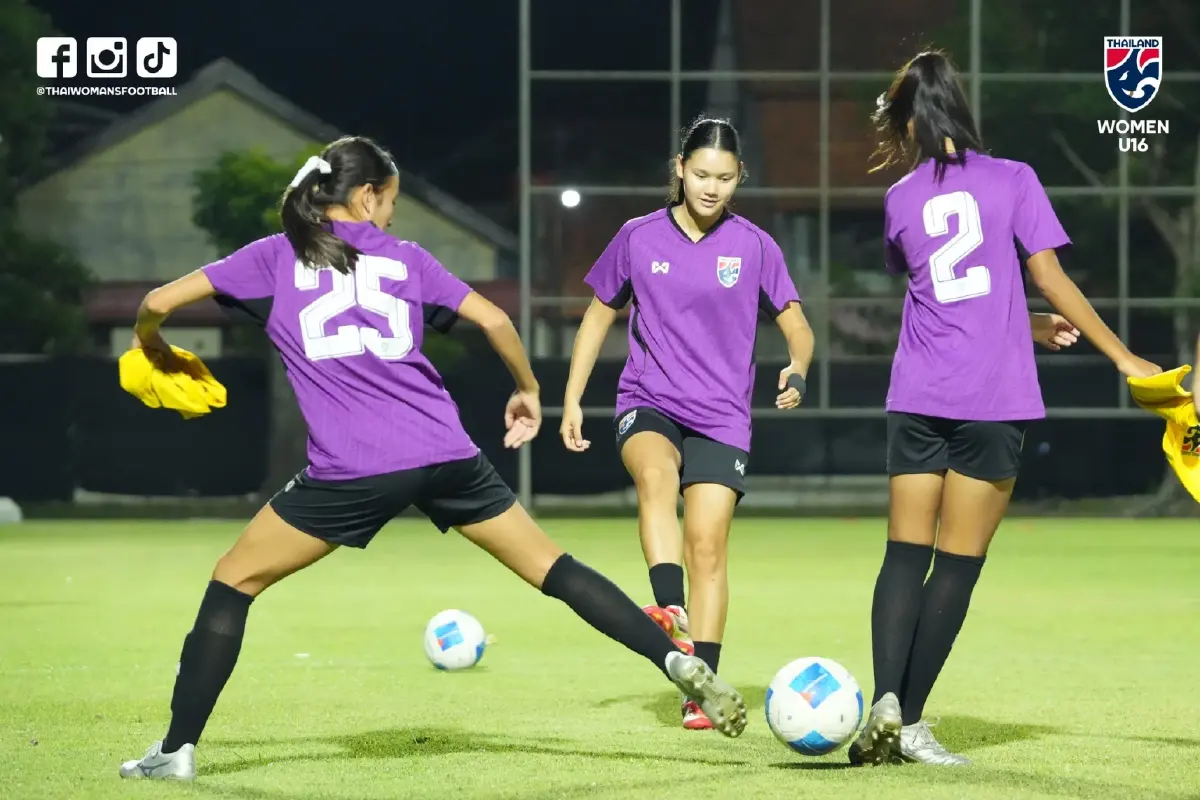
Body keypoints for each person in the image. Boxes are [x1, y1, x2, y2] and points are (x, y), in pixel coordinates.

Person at [118, 136, 748, 782]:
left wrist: (154, 349)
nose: (391, 217)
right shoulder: (408, 260)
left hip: (353, 468)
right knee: (555, 569)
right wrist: (528, 392)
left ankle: (175, 750)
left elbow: (157, 304)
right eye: (390, 202)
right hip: (447, 453)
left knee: (233, 581)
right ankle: (676, 661)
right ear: (366, 197)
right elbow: (497, 321)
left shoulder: (274, 257)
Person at [847, 51, 1162, 767]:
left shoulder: (900, 199)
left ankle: (882, 705)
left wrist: (1024, 324)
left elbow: (943, 295)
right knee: (955, 567)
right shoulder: (1012, 179)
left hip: (919, 396)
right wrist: (1121, 357)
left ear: (907, 122)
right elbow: (1043, 275)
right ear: (962, 108)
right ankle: (914, 722)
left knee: (903, 555)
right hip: (991, 398)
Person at [560, 117, 814, 731]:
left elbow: (798, 325)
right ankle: (669, 605)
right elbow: (596, 319)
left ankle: (702, 685)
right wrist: (571, 399)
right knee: (655, 475)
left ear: (739, 179)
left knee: (709, 544)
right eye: (701, 174)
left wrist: (798, 368)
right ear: (679, 169)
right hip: (648, 400)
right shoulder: (637, 237)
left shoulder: (754, 245)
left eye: (725, 179)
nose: (711, 188)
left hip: (722, 415)